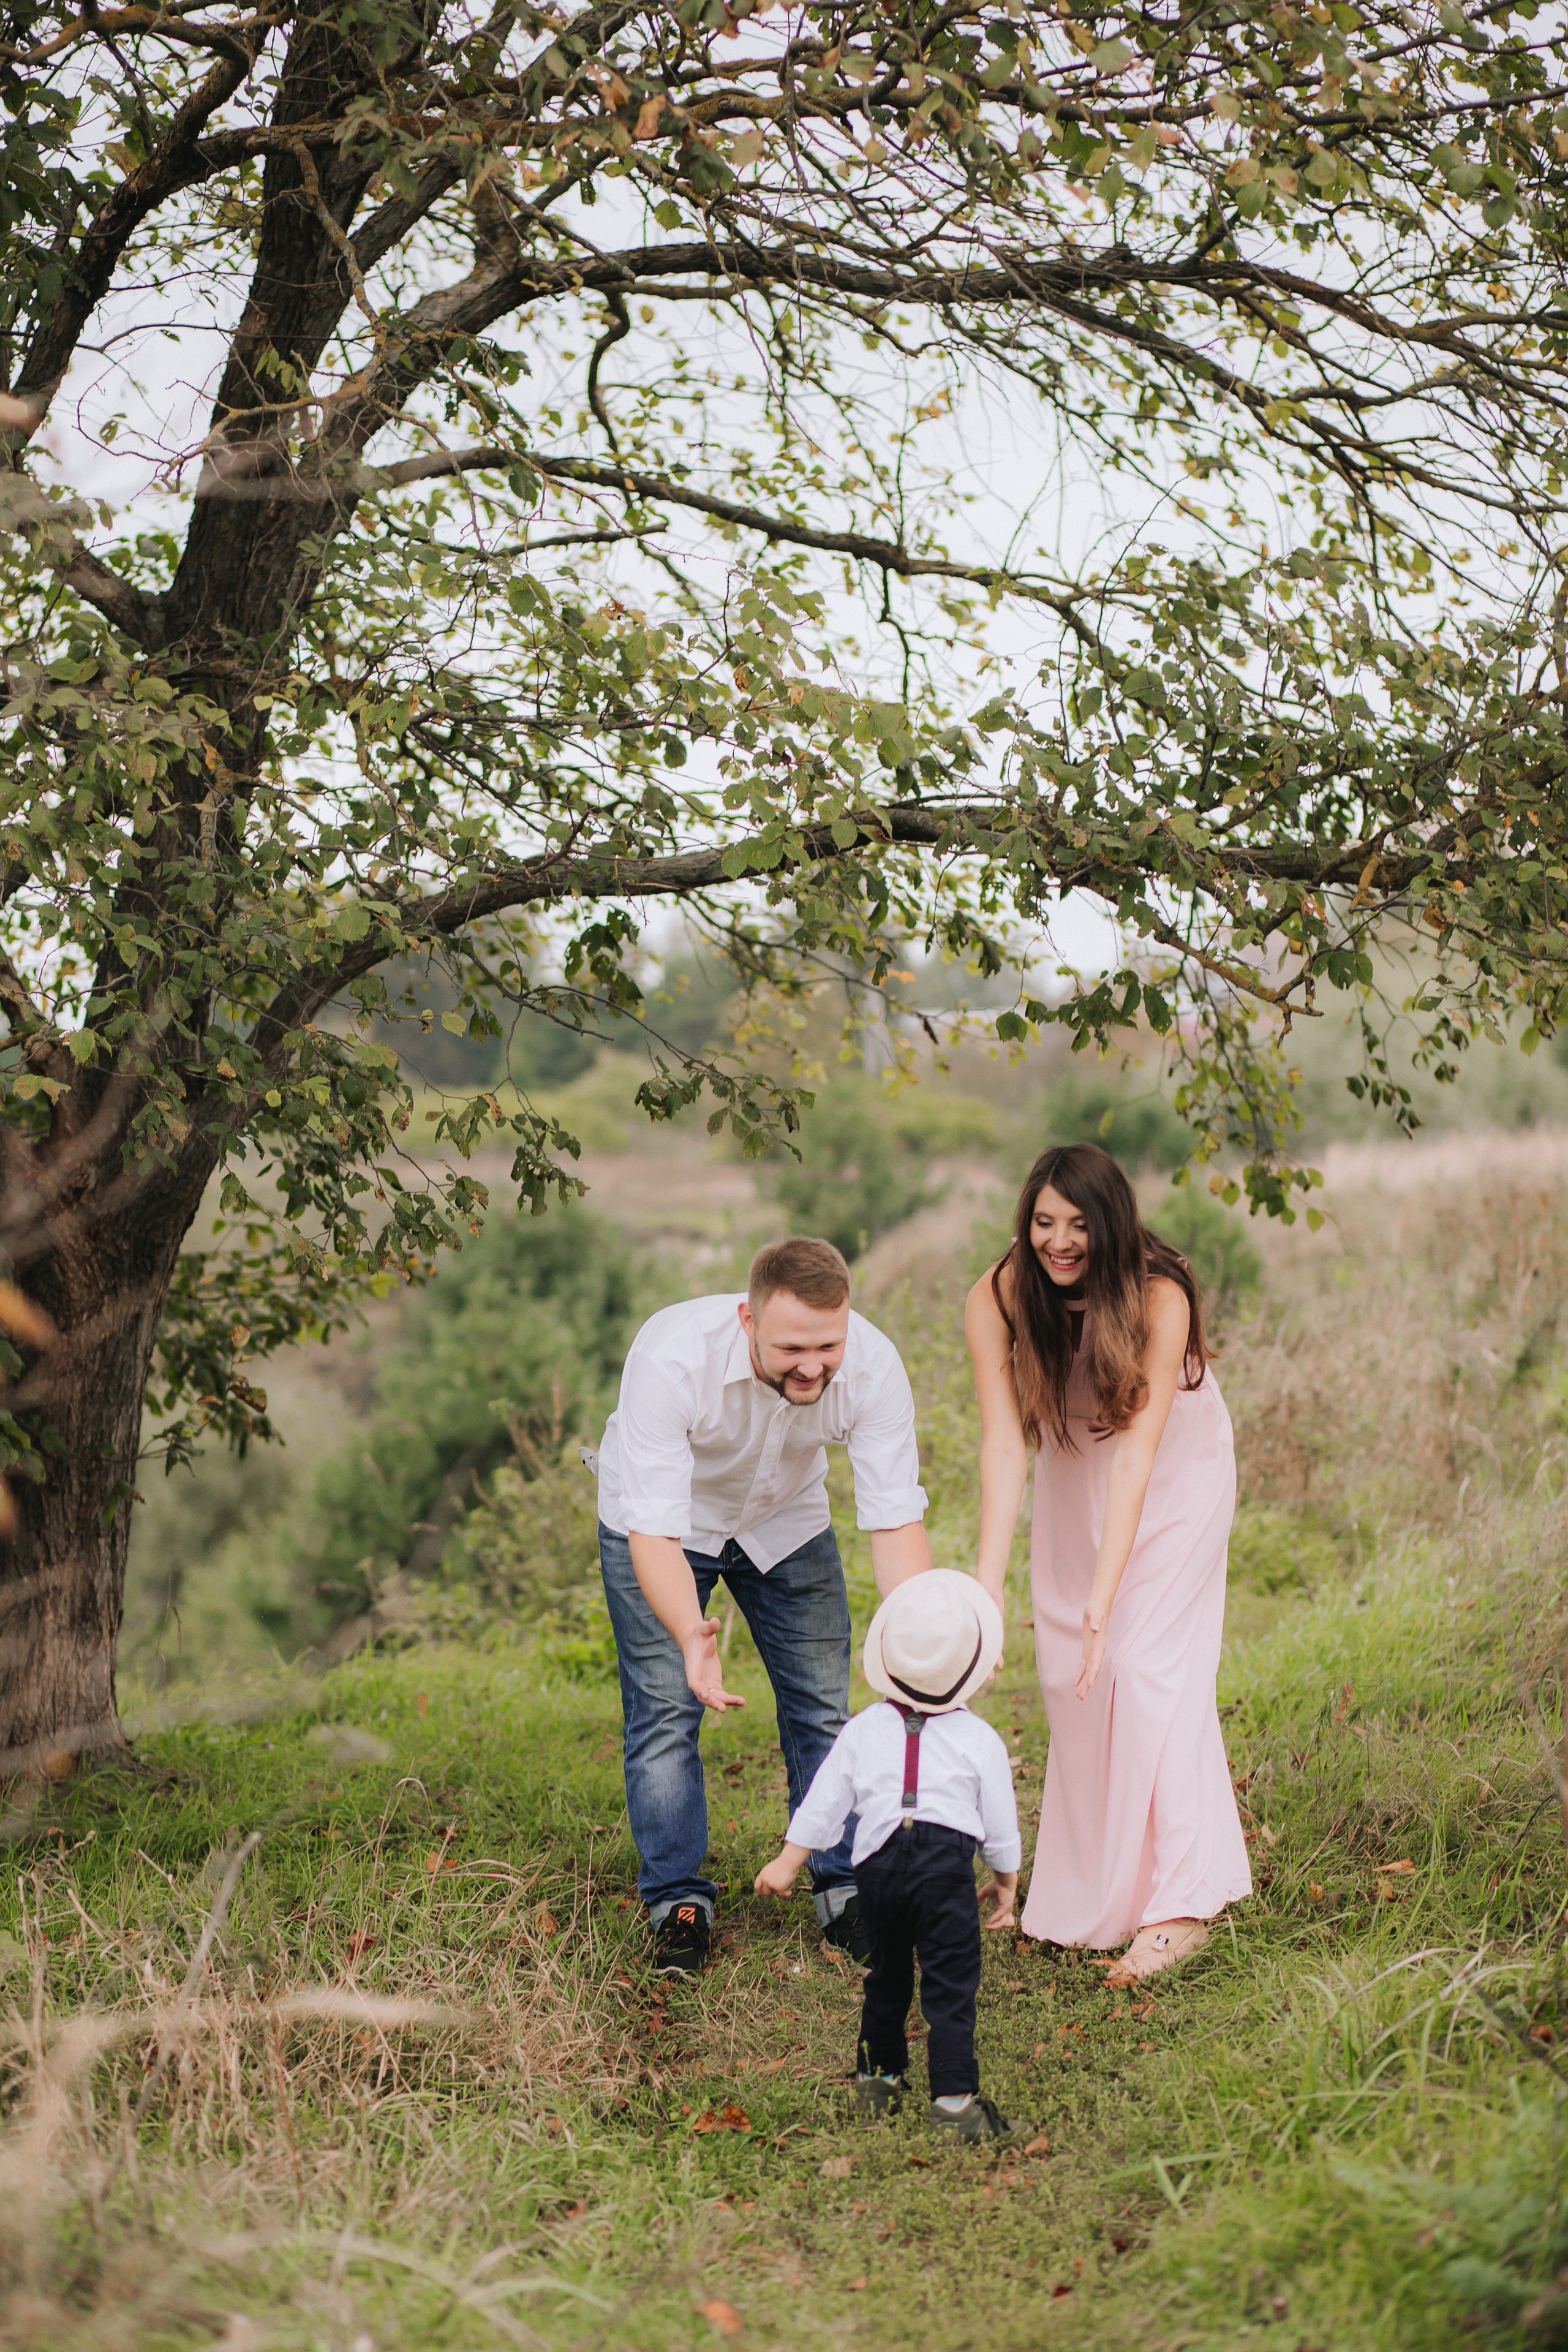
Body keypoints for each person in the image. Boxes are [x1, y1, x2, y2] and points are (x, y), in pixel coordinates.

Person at [595, 1235, 933, 1975]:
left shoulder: (872, 1367)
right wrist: (690, 1633)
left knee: (822, 1708)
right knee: (664, 1711)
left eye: (827, 1346)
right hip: (664, 1526)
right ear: (747, 1320)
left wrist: (925, 1636)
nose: (812, 1366)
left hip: (785, 1521)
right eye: (791, 1350)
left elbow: (893, 1519)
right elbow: (653, 1529)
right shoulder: (671, 1359)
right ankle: (677, 1901)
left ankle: (843, 1887)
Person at [965, 1142, 1251, 1979]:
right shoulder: (998, 1295)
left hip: (1173, 1473)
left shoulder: (1160, 1294)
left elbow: (1138, 1455)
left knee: (1142, 1664)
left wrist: (1104, 1596)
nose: (1058, 1241)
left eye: (1079, 1224)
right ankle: (1102, 1893)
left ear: (1111, 1224)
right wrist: (987, 1585)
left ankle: (1181, 1905)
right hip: (1073, 1469)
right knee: (1074, 1681)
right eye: (1043, 1222)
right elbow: (1003, 1447)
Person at [755, 1570, 1022, 2141]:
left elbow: (825, 1801)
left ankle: (878, 2081)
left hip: (876, 1869)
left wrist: (789, 1860)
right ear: (972, 1670)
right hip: (945, 1869)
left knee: (888, 1974)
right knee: (950, 1982)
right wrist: (1006, 1880)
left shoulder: (863, 1728)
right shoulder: (981, 1740)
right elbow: (1000, 1828)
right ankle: (954, 2103)